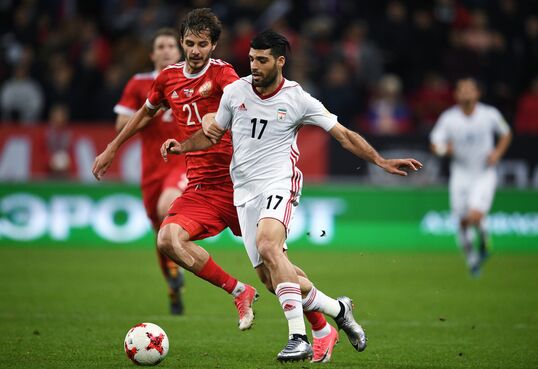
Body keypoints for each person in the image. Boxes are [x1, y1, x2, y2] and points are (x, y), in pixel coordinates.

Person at [161, 30, 423, 362]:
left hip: (280, 183)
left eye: (262, 60)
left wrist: (380, 160)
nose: (254, 66)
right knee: (273, 278)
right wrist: (182, 145)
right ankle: (337, 310)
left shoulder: (298, 99)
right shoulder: (235, 92)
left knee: (270, 246)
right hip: (244, 193)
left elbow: (342, 135)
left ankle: (297, 336)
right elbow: (212, 135)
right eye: (252, 59)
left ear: (280, 61)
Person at [92, 8, 258, 330]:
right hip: (200, 185)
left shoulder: (224, 75)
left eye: (202, 44)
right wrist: (112, 148)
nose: (195, 51)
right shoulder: (166, 79)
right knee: (166, 239)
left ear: (213, 46)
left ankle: (324, 317)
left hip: (239, 183)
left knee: (271, 267)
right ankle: (239, 291)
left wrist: (222, 121)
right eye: (190, 43)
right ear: (183, 42)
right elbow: (143, 114)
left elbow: (249, 110)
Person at [113, 28, 188, 315]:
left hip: (182, 160)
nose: (167, 50)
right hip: (151, 168)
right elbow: (121, 125)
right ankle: (172, 282)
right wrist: (151, 109)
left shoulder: (190, 80)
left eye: (171, 45)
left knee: (164, 207)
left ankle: (185, 252)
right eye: (161, 46)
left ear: (178, 51)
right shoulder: (138, 84)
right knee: (159, 233)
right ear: (152, 54)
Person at [430, 78, 512, 276]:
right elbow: (435, 145)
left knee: (475, 215)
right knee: (462, 222)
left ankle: (484, 239)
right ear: (456, 95)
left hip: (483, 173)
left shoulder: (489, 114)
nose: (466, 93)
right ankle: (473, 261)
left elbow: (506, 133)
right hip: (460, 176)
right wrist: (445, 149)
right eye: (462, 90)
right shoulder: (449, 118)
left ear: (477, 93)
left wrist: (497, 153)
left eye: (470, 89)